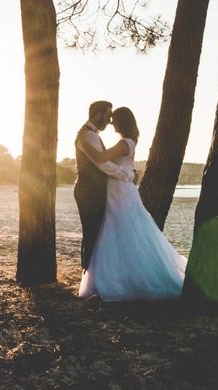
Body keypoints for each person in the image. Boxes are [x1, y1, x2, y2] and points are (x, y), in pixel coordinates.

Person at [77, 107, 187, 301]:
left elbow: (101, 159)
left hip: (121, 190)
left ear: (122, 122)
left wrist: (84, 143)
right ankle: (117, 275)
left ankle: (127, 279)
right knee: (115, 230)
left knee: (124, 230)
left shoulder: (124, 143)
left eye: (114, 119)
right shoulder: (126, 142)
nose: (111, 123)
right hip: (117, 188)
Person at [74, 101, 135, 271]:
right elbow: (103, 164)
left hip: (92, 189)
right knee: (92, 232)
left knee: (95, 232)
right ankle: (90, 273)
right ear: (98, 114)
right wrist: (128, 175)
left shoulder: (89, 134)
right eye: (108, 116)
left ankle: (91, 273)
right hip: (90, 190)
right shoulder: (89, 135)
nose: (109, 121)